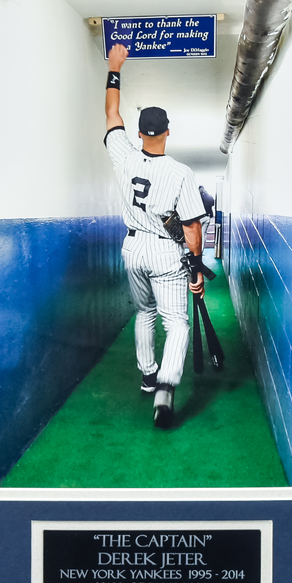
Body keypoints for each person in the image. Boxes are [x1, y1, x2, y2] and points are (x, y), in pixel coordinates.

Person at [103, 43, 206, 429]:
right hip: (165, 253)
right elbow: (192, 227)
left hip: (132, 248)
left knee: (144, 312)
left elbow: (111, 113)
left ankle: (147, 375)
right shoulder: (180, 173)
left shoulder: (123, 155)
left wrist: (115, 68)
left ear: (139, 133)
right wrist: (196, 269)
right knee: (175, 322)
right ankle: (165, 387)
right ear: (166, 132)